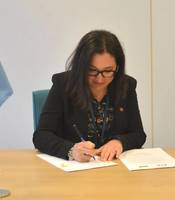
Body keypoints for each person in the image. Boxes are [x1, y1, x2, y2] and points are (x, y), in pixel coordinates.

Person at [33, 30, 146, 162]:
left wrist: (119, 142)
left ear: (118, 67)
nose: (99, 79)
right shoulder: (63, 85)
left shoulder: (126, 85)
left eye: (108, 71)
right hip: (74, 170)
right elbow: (41, 135)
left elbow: (138, 134)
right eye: (92, 70)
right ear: (81, 66)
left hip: (114, 169)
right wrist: (71, 150)